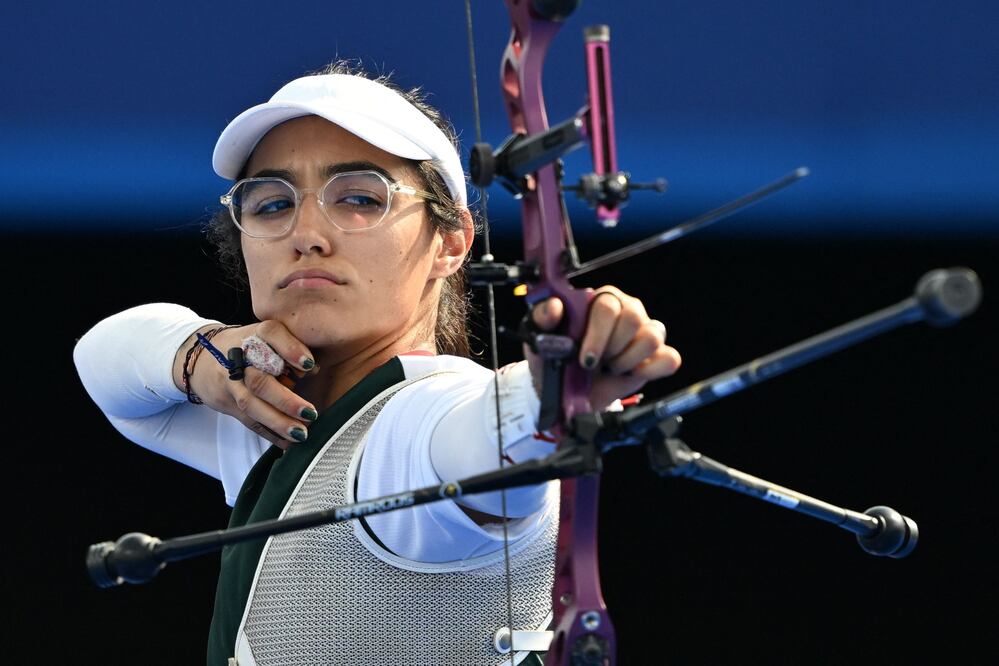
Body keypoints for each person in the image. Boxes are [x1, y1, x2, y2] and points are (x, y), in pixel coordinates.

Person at [74, 61, 681, 665]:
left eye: (360, 198)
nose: (306, 233)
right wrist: (201, 358)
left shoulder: (420, 419)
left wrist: (552, 388)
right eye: (270, 204)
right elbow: (103, 359)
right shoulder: (271, 420)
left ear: (450, 244)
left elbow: (483, 436)